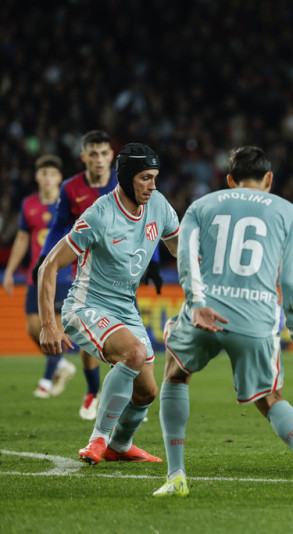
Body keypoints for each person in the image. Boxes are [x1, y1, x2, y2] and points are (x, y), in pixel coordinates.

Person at [154, 146, 293, 499]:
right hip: (257, 319)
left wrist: (196, 303)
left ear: (230, 179)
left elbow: (185, 256)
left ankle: (176, 476)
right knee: (270, 397)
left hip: (207, 313)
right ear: (269, 179)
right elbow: (292, 280)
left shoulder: (202, 206)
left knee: (175, 373)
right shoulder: (288, 212)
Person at [38, 142, 180, 465]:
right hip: (86, 306)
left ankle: (120, 444)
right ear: (128, 176)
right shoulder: (99, 214)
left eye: (155, 177)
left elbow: (178, 247)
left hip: (125, 308)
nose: (153, 185)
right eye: (146, 178)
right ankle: (98, 440)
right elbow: (48, 266)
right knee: (134, 352)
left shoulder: (157, 204)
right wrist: (49, 324)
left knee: (147, 391)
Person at [3, 155, 76, 398]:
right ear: (37, 177)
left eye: (52, 174)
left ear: (59, 178)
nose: (47, 178)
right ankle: (62, 363)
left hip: (62, 274)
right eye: (43, 173)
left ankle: (46, 381)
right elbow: (23, 238)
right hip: (36, 274)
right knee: (33, 327)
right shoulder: (28, 205)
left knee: (53, 326)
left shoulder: (67, 204)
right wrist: (11, 271)